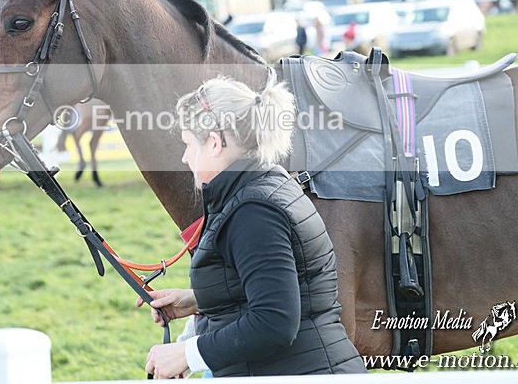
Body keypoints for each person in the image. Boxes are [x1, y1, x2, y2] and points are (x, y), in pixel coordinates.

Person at [136, 75, 366, 378]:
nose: (185, 157)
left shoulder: (254, 211)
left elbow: (275, 322)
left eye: (189, 144)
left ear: (214, 143)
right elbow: (273, 288)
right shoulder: (263, 184)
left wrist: (188, 354)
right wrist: (199, 300)